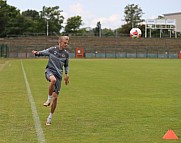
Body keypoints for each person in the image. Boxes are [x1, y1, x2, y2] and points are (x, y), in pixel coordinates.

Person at [32, 36, 70, 125]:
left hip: (59, 76)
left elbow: (66, 65)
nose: (66, 44)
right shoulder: (52, 50)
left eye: (67, 43)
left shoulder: (66, 54)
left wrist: (67, 74)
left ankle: (50, 117)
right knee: (53, 80)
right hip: (50, 71)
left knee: (56, 98)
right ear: (59, 42)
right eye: (65, 42)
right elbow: (43, 52)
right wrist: (36, 53)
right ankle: (48, 100)